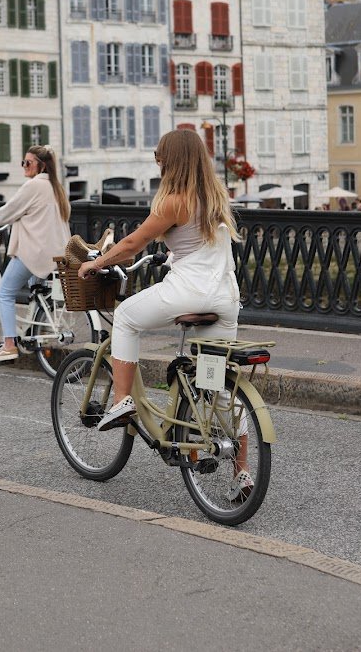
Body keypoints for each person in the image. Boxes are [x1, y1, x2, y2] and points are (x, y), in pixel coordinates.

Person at [77, 129, 249, 498]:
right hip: (225, 298)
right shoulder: (216, 197)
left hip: (188, 293)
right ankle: (243, 473)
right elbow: (197, 244)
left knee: (125, 317)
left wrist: (97, 264)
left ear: (171, 160)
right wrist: (172, 254)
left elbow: (132, 243)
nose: (158, 162)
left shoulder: (173, 200)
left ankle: (122, 400)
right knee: (217, 387)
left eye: (160, 157)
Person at [0, 145, 71, 364]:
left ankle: (9, 345)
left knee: (6, 291)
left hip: (36, 252)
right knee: (37, 292)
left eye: (28, 163)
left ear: (41, 165)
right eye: (23, 163)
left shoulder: (34, 185)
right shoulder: (57, 187)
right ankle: (36, 336)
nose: (24, 167)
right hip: (58, 253)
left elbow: (9, 211)